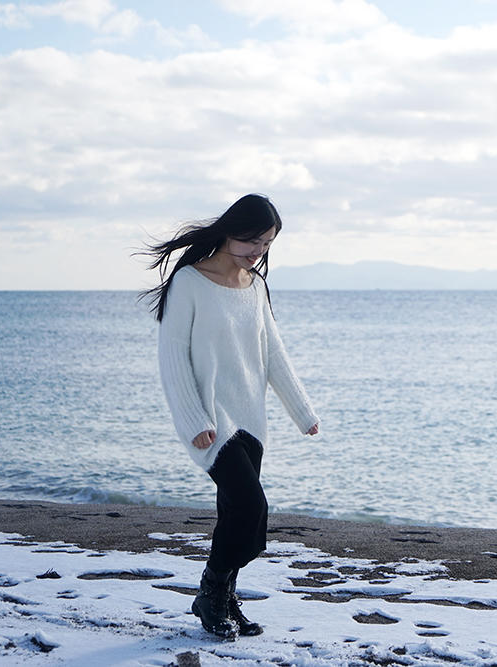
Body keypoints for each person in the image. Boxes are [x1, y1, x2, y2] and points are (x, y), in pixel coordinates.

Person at [141, 194, 319, 639]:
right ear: (229, 231)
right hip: (212, 421)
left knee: (234, 513)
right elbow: (173, 356)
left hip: (251, 418)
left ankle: (222, 598)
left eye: (267, 243)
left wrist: (302, 411)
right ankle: (210, 592)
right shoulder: (189, 282)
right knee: (251, 509)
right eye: (252, 240)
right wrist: (194, 420)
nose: (258, 251)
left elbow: (273, 352)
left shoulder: (255, 286)